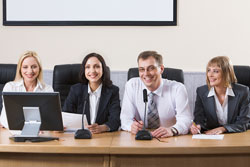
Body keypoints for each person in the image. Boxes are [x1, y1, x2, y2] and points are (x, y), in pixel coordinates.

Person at [120, 51, 192, 138]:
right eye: (142, 69)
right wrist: (131, 126)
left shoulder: (178, 88)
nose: (146, 74)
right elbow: (125, 119)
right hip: (141, 140)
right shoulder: (132, 85)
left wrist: (172, 130)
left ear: (161, 69)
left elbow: (186, 119)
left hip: (170, 139)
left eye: (151, 68)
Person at [190, 56, 250, 135]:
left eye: (215, 71)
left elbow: (244, 123)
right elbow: (199, 119)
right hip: (211, 136)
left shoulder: (242, 91)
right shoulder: (201, 92)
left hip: (235, 136)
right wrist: (198, 127)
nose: (210, 75)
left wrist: (223, 128)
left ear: (226, 73)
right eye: (208, 70)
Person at [63, 53, 121, 133]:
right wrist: (60, 126)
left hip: (102, 138)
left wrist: (102, 128)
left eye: (97, 66)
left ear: (103, 69)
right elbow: (65, 115)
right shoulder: (75, 90)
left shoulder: (113, 91)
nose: (92, 71)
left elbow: (116, 120)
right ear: (84, 70)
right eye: (88, 67)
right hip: (79, 137)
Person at [0, 51, 53, 128]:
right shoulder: (10, 87)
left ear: (39, 68)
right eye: (25, 67)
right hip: (13, 132)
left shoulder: (47, 89)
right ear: (20, 69)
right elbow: (5, 118)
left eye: (34, 67)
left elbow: (50, 119)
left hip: (40, 132)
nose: (30, 71)